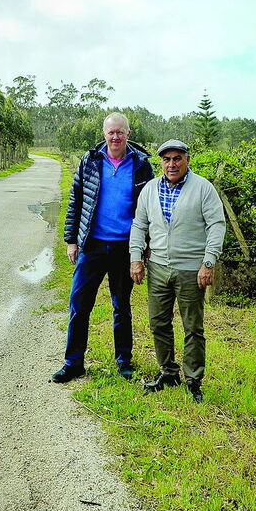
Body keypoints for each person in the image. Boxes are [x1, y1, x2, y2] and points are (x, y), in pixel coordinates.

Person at [52, 112, 155, 383]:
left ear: (128, 134)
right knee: (79, 305)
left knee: (121, 307)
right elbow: (76, 201)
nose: (116, 137)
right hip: (93, 245)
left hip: (124, 247)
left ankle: (124, 363)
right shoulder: (90, 161)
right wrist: (71, 240)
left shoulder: (142, 165)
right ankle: (73, 363)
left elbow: (149, 210)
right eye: (111, 132)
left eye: (120, 132)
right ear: (104, 134)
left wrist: (145, 249)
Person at [129, 139, 226, 403]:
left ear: (187, 159)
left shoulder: (203, 188)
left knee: (193, 327)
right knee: (158, 322)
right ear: (161, 162)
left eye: (177, 158)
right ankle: (168, 372)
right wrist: (136, 258)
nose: (172, 164)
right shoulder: (150, 189)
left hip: (190, 269)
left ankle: (193, 379)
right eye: (167, 159)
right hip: (158, 267)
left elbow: (216, 225)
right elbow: (139, 225)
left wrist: (208, 262)